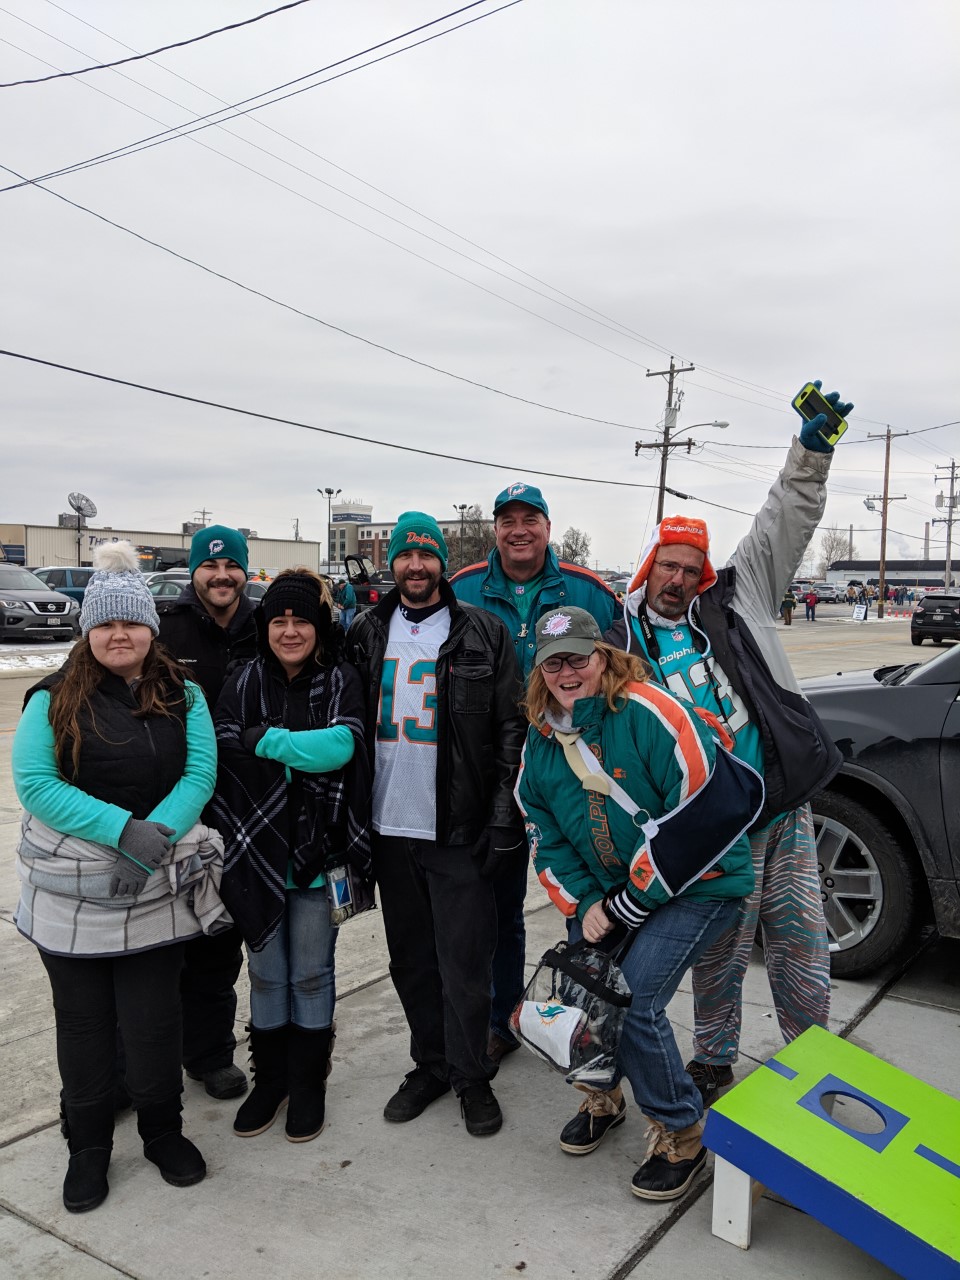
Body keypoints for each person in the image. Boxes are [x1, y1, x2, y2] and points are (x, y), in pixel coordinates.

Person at [605, 382, 852, 1109]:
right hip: (713, 829)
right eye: (668, 565)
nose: (678, 579)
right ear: (649, 566)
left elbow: (783, 522)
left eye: (691, 568)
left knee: (802, 944)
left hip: (781, 810)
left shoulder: (736, 602)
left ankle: (814, 1063)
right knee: (719, 953)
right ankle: (713, 1061)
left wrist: (809, 455)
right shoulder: (623, 642)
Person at [516, 607, 762, 1200]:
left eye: (578, 658)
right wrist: (586, 902)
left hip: (702, 884)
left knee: (632, 998)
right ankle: (603, 1095)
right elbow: (546, 835)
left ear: (602, 657)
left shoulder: (653, 712)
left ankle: (683, 1129)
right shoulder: (541, 740)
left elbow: (702, 817)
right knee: (579, 990)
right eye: (553, 663)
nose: (567, 673)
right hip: (613, 893)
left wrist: (630, 901)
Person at [12, 542, 222, 1212]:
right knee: (84, 1027)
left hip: (152, 885)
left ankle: (162, 1132)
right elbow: (36, 784)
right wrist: (121, 832)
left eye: (131, 621)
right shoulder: (50, 698)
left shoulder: (184, 693)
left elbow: (199, 773)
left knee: (154, 1021)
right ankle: (89, 1147)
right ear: (88, 630)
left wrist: (148, 844)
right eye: (105, 623)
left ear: (151, 628)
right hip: (71, 892)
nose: (119, 634)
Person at [346, 513, 525, 1136]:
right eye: (406, 555)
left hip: (457, 831)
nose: (415, 566)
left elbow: (511, 728)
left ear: (442, 564)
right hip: (388, 828)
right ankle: (430, 1065)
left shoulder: (483, 631)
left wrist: (501, 818)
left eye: (426, 555)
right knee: (412, 962)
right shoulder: (366, 631)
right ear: (392, 563)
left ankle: (472, 1075)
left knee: (465, 965)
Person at [450, 482, 617, 1064]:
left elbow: (624, 673)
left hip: (572, 774)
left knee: (585, 899)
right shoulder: (463, 589)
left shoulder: (588, 592)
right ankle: (500, 1017)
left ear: (548, 526)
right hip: (488, 776)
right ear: (495, 528)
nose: (519, 530)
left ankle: (590, 1024)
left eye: (530, 519)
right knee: (496, 906)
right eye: (508, 520)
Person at [211, 569, 371, 1143]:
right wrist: (294, 757)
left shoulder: (341, 679)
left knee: (310, 973)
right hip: (255, 853)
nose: (289, 630)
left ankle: (308, 1085)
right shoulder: (242, 680)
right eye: (278, 620)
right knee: (264, 974)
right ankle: (271, 1081)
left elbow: (343, 745)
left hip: (319, 854)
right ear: (266, 627)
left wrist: (267, 741)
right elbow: (224, 748)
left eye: (301, 620)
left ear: (318, 627)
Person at [157, 525, 259, 1101]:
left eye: (231, 566)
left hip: (243, 809)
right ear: (194, 571)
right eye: (210, 566)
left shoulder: (264, 626)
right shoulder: (164, 628)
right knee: (154, 949)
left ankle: (209, 1055)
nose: (222, 576)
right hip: (172, 806)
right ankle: (134, 1066)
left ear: (244, 571)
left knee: (218, 941)